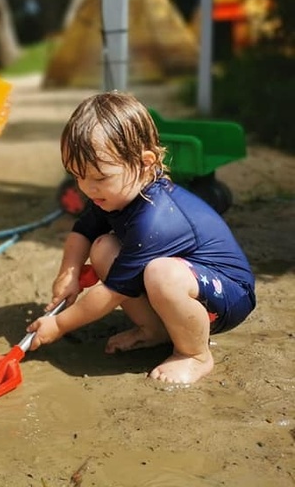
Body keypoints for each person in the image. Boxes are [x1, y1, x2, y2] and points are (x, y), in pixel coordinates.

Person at [27, 92, 255, 384]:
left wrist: (58, 324)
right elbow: (83, 232)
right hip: (189, 280)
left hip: (227, 296)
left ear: (145, 162)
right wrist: (68, 274)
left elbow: (110, 294)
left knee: (162, 275)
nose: (87, 188)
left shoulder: (156, 218)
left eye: (100, 178)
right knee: (102, 247)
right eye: (77, 176)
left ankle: (196, 354)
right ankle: (155, 331)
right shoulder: (112, 196)